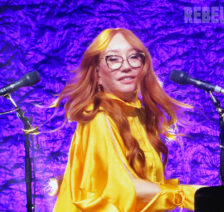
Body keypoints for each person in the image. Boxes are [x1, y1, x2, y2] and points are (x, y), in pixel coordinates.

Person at [53, 27, 204, 212]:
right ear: (97, 74)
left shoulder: (139, 114)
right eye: (113, 59)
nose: (126, 66)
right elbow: (124, 187)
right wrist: (187, 195)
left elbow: (147, 190)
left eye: (134, 57)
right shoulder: (97, 117)